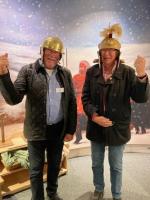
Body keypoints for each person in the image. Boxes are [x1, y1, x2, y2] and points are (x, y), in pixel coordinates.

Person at [0, 36, 77, 200]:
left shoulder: (65, 73)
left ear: (60, 56)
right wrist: (4, 75)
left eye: (56, 53)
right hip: (36, 131)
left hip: (58, 130)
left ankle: (52, 192)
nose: (52, 55)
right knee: (35, 169)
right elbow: (13, 99)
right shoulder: (28, 71)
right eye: (49, 51)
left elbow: (71, 102)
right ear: (42, 51)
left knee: (55, 166)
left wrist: (71, 129)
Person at [82, 24, 149, 200]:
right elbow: (86, 99)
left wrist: (141, 74)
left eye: (111, 50)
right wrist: (94, 116)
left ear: (117, 53)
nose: (107, 53)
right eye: (104, 50)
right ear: (99, 52)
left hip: (118, 127)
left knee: (116, 166)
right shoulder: (91, 72)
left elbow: (141, 98)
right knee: (96, 164)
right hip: (96, 126)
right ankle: (98, 188)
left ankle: (117, 195)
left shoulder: (127, 72)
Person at [73, 60, 89, 144]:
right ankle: (78, 137)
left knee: (91, 119)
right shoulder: (75, 77)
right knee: (77, 120)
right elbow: (72, 88)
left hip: (87, 101)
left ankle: (93, 135)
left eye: (83, 66)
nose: (82, 68)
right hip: (78, 102)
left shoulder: (90, 77)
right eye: (80, 66)